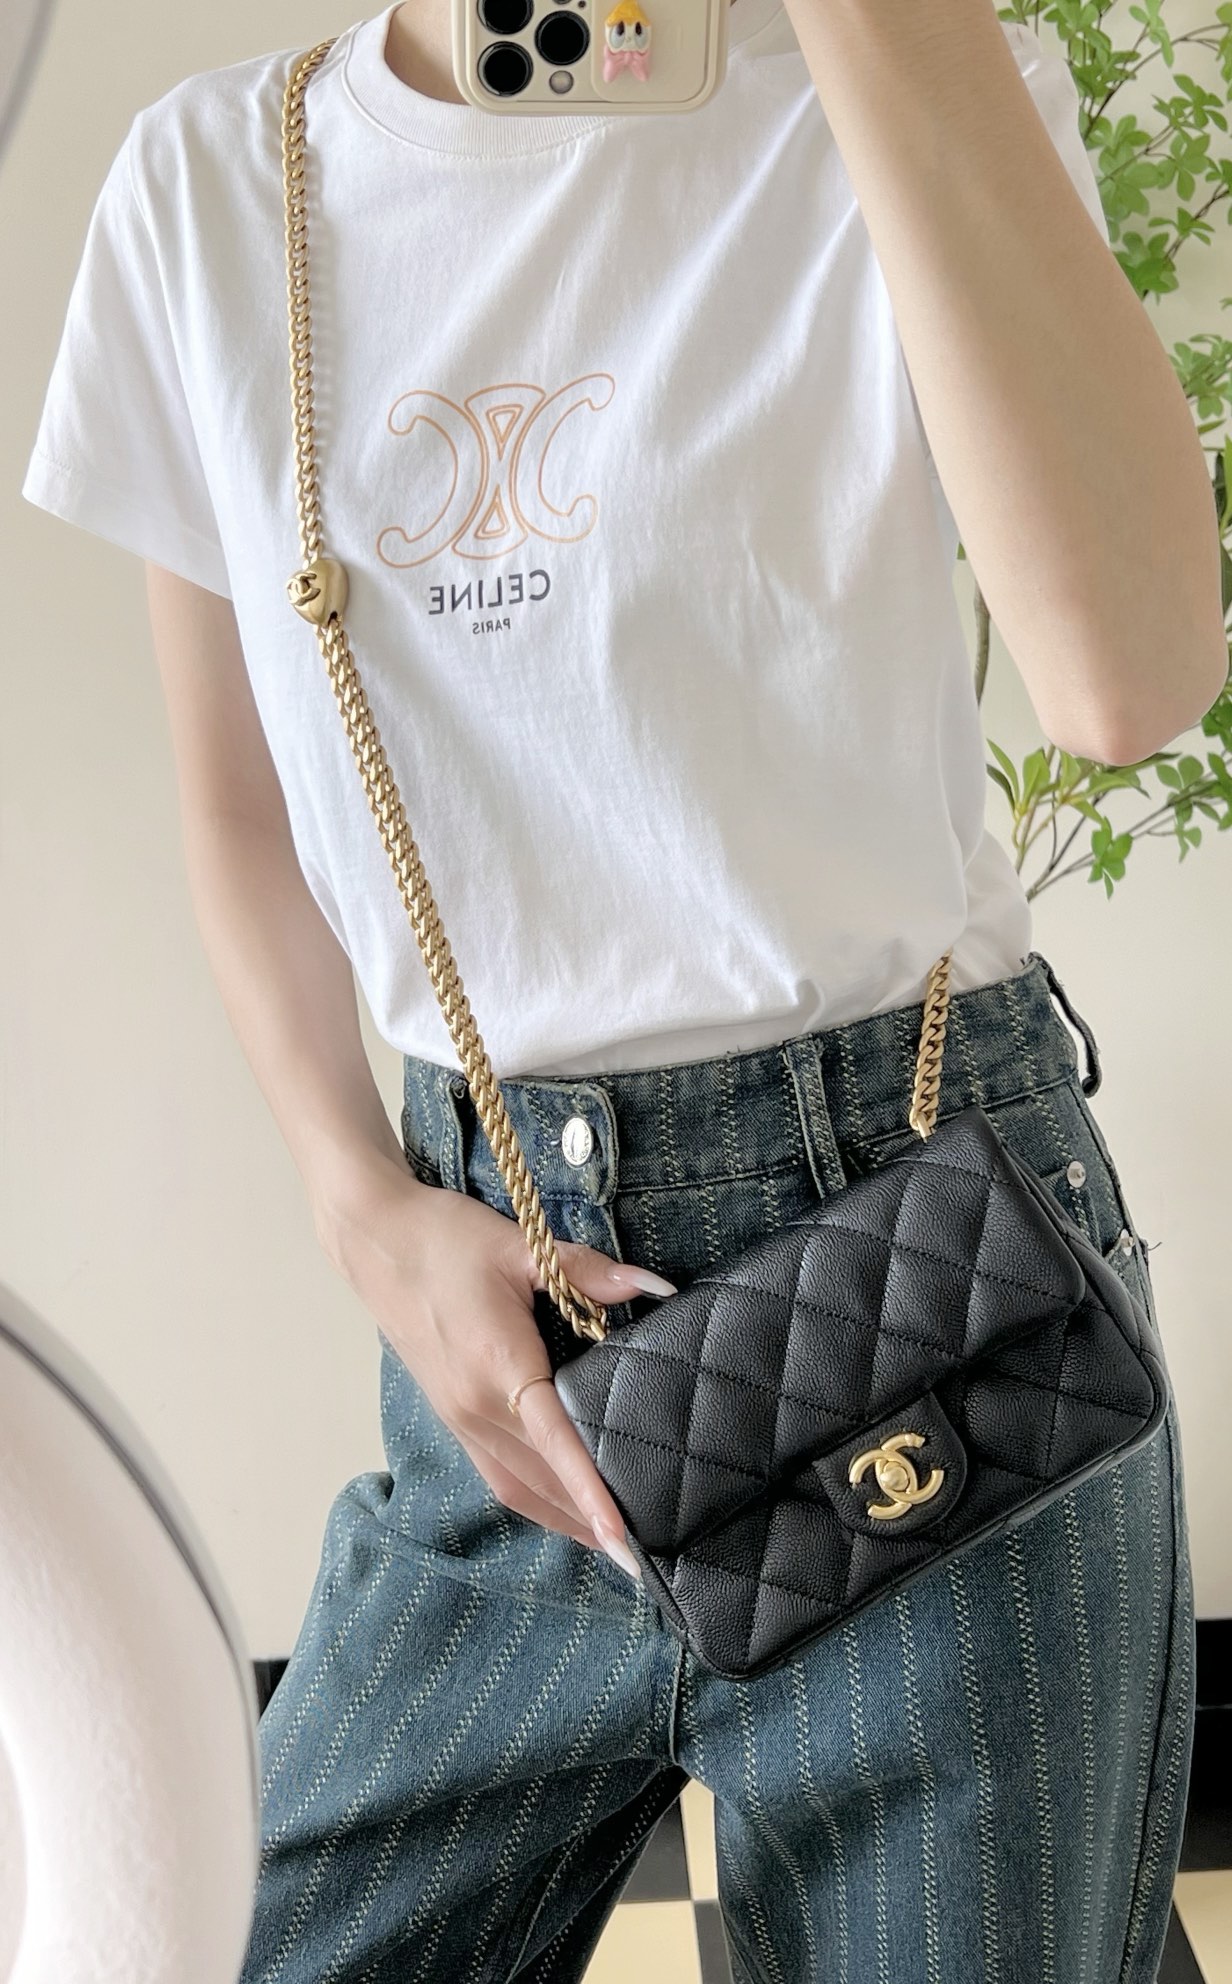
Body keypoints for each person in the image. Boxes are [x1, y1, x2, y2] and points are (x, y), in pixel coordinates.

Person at [21, 1, 1199, 1977]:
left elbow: (1127, 677)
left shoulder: (908, 86)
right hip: (493, 1335)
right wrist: (358, 1203)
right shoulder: (218, 183)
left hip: (924, 1281)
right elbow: (242, 805)